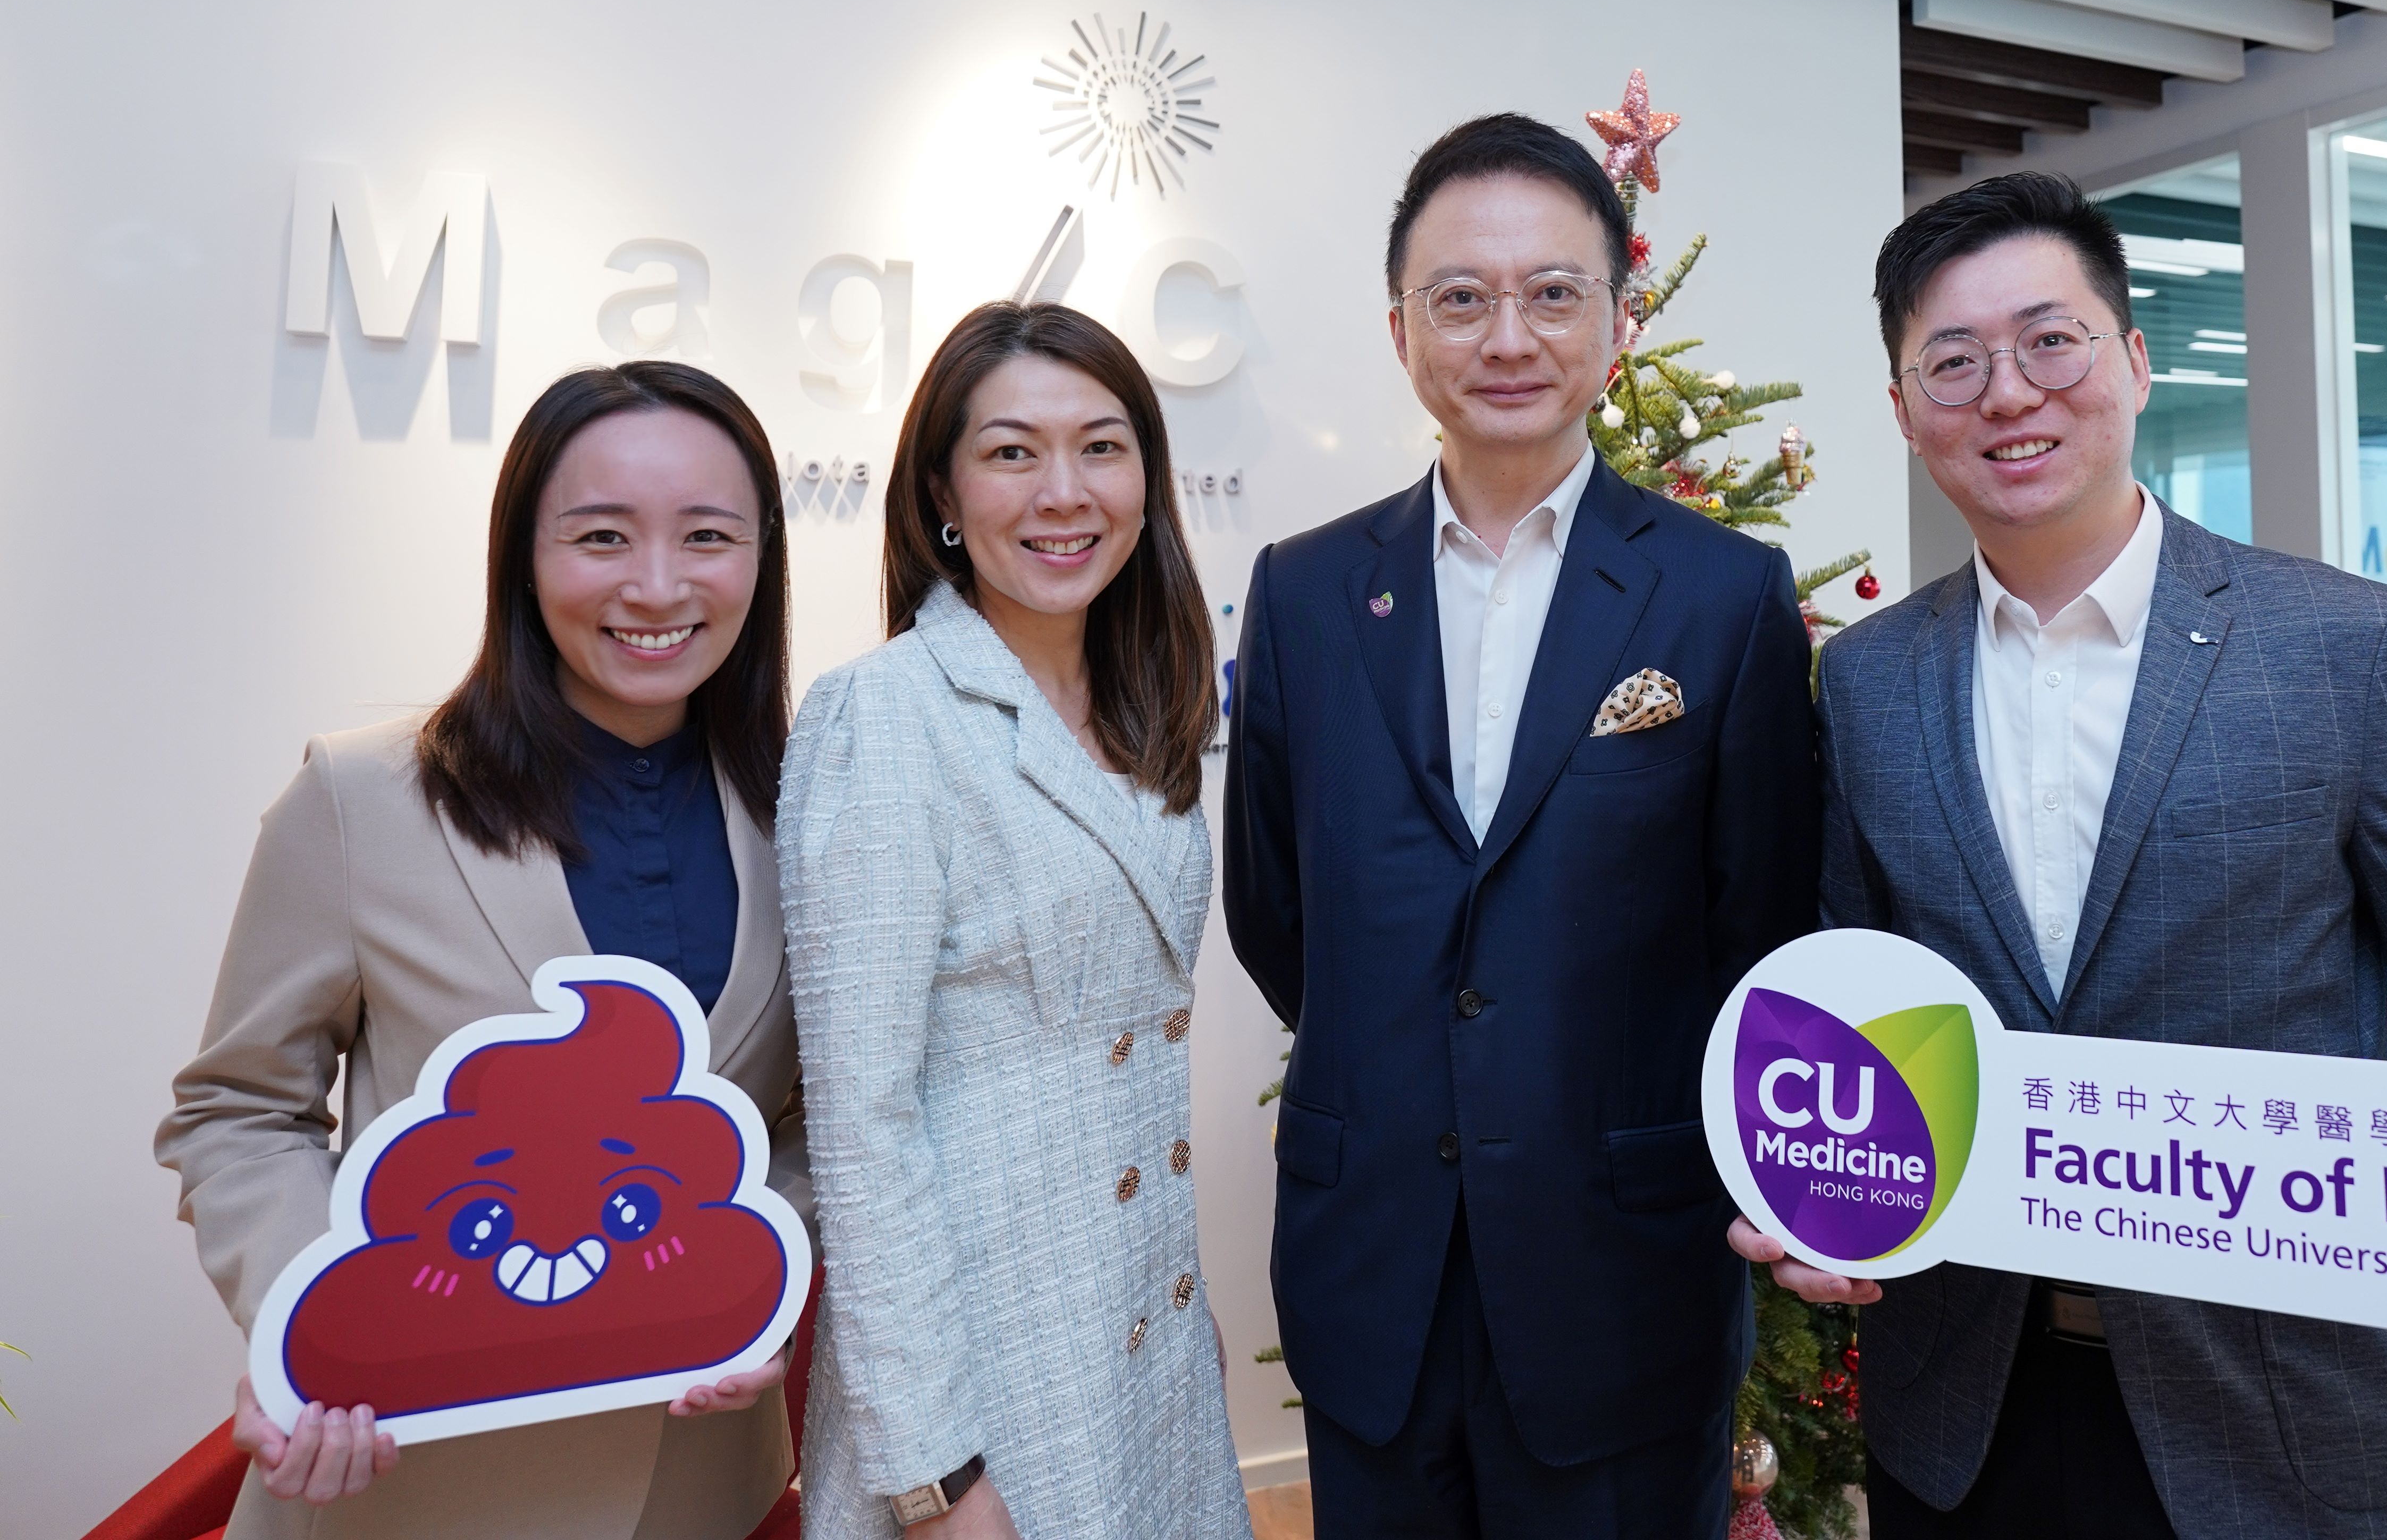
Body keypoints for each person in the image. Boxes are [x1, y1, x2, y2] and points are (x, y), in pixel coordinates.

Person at [1740, 171, 2387, 1537]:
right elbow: (1848, 985)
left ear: (2130, 357)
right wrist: (1805, 1190)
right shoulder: (1868, 678)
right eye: (1953, 360)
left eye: (2050, 340)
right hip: (1969, 1411)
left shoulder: (2336, 644)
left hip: (2295, 1407)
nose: (2007, 392)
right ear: (1901, 409)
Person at [1224, 113, 1820, 1537]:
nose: (1508, 335)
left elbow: (1760, 923)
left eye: (1553, 293)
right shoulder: (1305, 592)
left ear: (1615, 322)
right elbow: (1275, 909)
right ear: (1400, 330)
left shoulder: (1720, 596)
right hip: (1371, 1265)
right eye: (1461, 297)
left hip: (1623, 1275)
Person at [156, 361, 807, 1539]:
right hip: (411, 1475)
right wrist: (333, 1323)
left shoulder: (810, 807)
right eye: (601, 535)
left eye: (708, 535)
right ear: (522, 551)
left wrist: (753, 1286)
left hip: (700, 1476)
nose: (657, 584)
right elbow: (238, 1108)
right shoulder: (363, 796)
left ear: (760, 558)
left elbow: (811, 1124)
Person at [781, 302, 1249, 1540]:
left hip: (1141, 1346)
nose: (1063, 491)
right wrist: (934, 1478)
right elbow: (861, 1127)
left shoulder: (1147, 706)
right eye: (1009, 452)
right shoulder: (883, 715)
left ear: (1147, 478)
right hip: (983, 1381)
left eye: (1101, 446)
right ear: (940, 488)